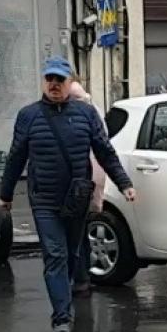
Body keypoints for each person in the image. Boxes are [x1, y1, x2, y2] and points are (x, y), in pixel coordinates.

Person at [0, 57, 136, 332]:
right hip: (44, 200)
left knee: (72, 252)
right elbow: (16, 157)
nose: (54, 85)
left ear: (68, 83)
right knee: (55, 255)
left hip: (76, 199)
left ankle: (71, 290)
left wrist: (124, 183)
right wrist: (6, 194)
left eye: (59, 80)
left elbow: (105, 151)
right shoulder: (29, 116)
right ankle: (61, 317)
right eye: (49, 79)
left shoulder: (85, 114)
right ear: (43, 82)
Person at [65, 79, 107, 299]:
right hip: (89, 182)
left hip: (80, 182)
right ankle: (82, 278)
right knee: (81, 231)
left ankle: (79, 278)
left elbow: (97, 154)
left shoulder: (78, 114)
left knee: (76, 233)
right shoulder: (93, 111)